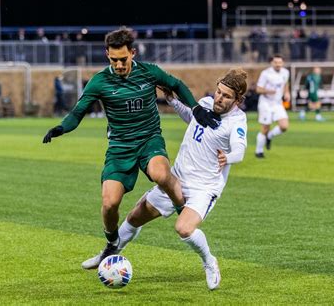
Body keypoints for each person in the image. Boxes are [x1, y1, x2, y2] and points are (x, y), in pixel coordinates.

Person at [42, 27, 221, 268]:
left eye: (123, 59)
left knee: (161, 174)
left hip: (149, 141)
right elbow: (78, 112)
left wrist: (196, 108)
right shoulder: (99, 81)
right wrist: (61, 128)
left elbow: (176, 84)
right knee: (109, 204)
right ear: (107, 55)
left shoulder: (148, 72)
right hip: (120, 148)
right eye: (114, 59)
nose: (119, 64)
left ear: (133, 53)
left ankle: (183, 212)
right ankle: (111, 245)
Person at [111, 68, 248, 290]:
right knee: (135, 216)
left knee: (184, 228)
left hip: (203, 188)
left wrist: (228, 157)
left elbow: (240, 150)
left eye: (227, 96)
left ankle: (209, 262)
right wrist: (173, 101)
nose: (219, 98)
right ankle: (109, 253)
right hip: (177, 178)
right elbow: (193, 120)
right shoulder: (204, 103)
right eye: (219, 92)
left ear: (238, 100)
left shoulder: (237, 121)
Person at [255, 54, 290, 158]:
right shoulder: (265, 74)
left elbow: (285, 84)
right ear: (271, 63)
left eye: (280, 62)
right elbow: (258, 89)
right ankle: (259, 151)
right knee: (265, 128)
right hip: (266, 103)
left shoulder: (285, 72)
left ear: (282, 63)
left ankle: (270, 136)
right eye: (276, 62)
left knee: (284, 126)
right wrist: (269, 91)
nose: (278, 64)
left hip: (277, 103)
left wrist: (287, 93)